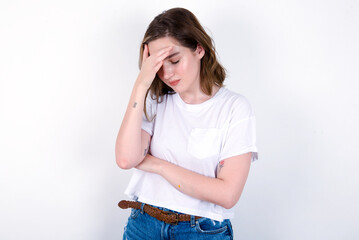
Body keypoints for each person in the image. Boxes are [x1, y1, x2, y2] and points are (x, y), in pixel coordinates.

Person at [115, 7, 258, 239]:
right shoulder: (156, 100)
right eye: (158, 66)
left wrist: (157, 165)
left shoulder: (235, 108)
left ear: (199, 49)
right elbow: (126, 159)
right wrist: (140, 85)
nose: (167, 73)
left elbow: (227, 194)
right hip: (144, 224)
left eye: (174, 60)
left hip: (201, 230)